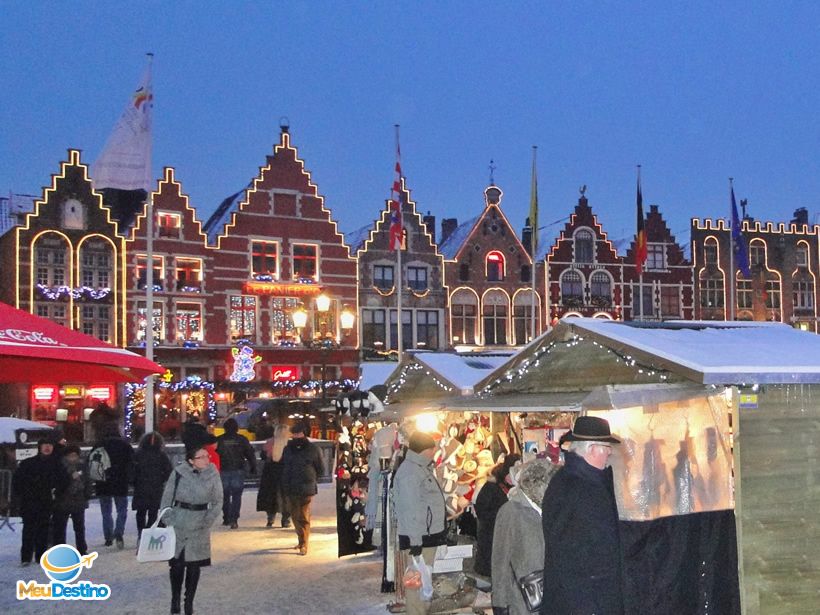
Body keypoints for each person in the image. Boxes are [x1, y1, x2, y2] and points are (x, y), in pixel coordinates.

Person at [541, 416, 623, 615]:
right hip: (584, 602)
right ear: (592, 449)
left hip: (583, 599)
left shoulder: (573, 481)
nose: (609, 452)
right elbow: (568, 555)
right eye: (606, 447)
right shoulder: (578, 488)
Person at [160, 444, 222, 615]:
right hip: (179, 520)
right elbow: (167, 496)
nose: (206, 460)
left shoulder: (212, 473)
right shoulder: (179, 473)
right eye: (201, 457)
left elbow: (218, 500)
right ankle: (175, 599)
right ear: (191, 461)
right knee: (177, 565)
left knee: (194, 565)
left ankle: (189, 602)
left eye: (207, 456)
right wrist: (168, 518)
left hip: (200, 522)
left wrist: (208, 519)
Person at [491, 459, 559, 615]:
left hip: (550, 594)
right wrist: (500, 604)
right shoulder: (511, 511)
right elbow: (500, 560)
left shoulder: (549, 509)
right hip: (522, 597)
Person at [392, 431, 447, 615]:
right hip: (419, 537)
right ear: (424, 450)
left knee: (423, 578)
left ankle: (421, 610)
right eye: (432, 449)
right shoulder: (411, 472)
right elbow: (410, 510)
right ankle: (416, 612)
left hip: (426, 535)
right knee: (415, 581)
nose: (434, 452)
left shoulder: (420, 468)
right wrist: (415, 543)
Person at [12, 436, 67, 565]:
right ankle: (26, 557)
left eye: (50, 445)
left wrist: (57, 491)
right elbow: (17, 481)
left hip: (46, 501)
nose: (47, 447)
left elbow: (64, 481)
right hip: (29, 501)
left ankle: (40, 555)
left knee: (43, 528)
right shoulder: (28, 463)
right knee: (28, 529)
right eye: (45, 445)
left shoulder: (56, 464)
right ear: (39, 447)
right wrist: (23, 493)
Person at [280, 421, 324, 555]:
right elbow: (284, 467)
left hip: (306, 486)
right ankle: (301, 539)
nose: (296, 436)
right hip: (291, 485)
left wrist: (312, 478)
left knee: (303, 514)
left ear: (304, 433)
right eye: (294, 434)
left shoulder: (312, 449)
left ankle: (304, 542)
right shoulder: (288, 449)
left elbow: (320, 468)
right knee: (295, 514)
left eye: (298, 433)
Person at [473, 454, 520, 579]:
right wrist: (500, 516)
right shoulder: (491, 486)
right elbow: (481, 510)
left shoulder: (517, 488)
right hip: (491, 533)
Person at [93, 424, 135, 549]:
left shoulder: (99, 445)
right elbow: (132, 463)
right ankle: (119, 532)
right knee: (122, 510)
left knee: (106, 511)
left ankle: (108, 536)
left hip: (103, 481)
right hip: (120, 481)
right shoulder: (124, 445)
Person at [215, 418, 256, 528]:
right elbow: (250, 453)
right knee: (237, 496)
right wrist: (253, 466)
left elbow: (215, 454)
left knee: (225, 495)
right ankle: (234, 519)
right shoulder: (242, 439)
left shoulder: (220, 440)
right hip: (238, 469)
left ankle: (226, 517)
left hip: (223, 469)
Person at [132, 432, 172, 542]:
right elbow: (168, 471)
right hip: (156, 488)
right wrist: (161, 479)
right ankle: (149, 531)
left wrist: (135, 482)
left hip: (141, 487)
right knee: (153, 512)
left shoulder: (138, 455)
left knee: (140, 512)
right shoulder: (161, 455)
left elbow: (132, 471)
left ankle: (141, 532)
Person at [53, 444, 91, 555]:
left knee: (79, 527)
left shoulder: (82, 466)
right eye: (70, 455)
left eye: (75, 455)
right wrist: (70, 478)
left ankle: (82, 548)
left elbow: (87, 480)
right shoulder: (60, 467)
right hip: (63, 501)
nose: (73, 458)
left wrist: (87, 494)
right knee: (60, 528)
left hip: (78, 500)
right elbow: (58, 483)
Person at [256, 422, 291, 528]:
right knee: (286, 496)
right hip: (285, 471)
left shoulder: (269, 442)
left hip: (270, 472)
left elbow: (263, 455)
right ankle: (286, 519)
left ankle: (270, 518)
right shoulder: (289, 444)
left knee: (270, 495)